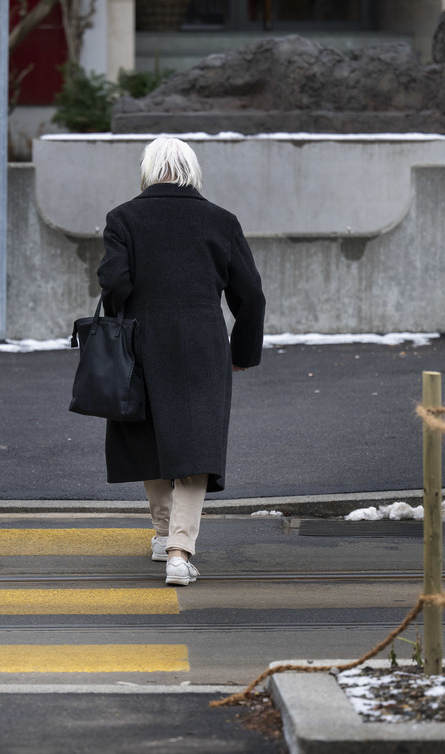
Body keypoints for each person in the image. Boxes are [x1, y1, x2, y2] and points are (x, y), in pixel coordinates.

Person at [96, 136, 265, 586]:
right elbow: (251, 295)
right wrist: (242, 352)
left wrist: (121, 318)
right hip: (201, 345)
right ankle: (177, 551)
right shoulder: (221, 220)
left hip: (140, 343)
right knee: (196, 449)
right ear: (192, 169)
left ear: (149, 168)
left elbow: (113, 281)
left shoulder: (123, 218)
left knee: (146, 439)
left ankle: (162, 534)